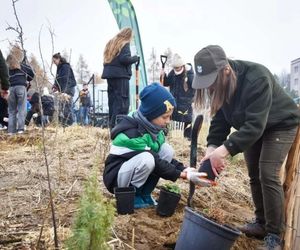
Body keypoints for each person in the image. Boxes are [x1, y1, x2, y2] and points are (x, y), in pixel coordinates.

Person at [192, 45, 300, 250]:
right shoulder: (221, 86)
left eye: (211, 82)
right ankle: (261, 223)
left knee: (267, 173)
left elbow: (256, 126)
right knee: (253, 173)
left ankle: (275, 235)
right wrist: (211, 150)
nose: (210, 88)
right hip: (251, 127)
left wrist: (224, 151)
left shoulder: (256, 78)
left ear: (225, 70)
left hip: (280, 124)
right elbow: (220, 121)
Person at [103, 83, 211, 209]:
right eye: (164, 117)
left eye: (170, 116)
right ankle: (132, 196)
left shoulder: (154, 130)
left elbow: (162, 159)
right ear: (150, 114)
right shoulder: (131, 134)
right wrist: (182, 175)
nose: (168, 121)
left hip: (134, 168)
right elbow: (155, 161)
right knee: (147, 159)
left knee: (166, 150)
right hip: (117, 178)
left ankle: (145, 193)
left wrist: (184, 169)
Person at [102, 27, 139, 129]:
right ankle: (119, 128)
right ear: (129, 35)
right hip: (120, 76)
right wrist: (135, 58)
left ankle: (112, 127)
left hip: (110, 75)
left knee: (112, 102)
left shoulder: (111, 43)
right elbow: (124, 59)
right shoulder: (124, 43)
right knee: (122, 102)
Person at [161, 54, 195, 139]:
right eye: (175, 68)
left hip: (185, 105)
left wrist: (189, 74)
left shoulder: (189, 74)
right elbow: (166, 82)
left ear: (182, 65)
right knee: (170, 123)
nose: (176, 70)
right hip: (173, 103)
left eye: (178, 68)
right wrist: (163, 75)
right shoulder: (173, 73)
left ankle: (188, 141)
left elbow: (195, 87)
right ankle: (169, 139)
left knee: (186, 124)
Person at [7, 53, 34, 135]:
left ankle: (11, 131)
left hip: (11, 88)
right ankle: (20, 129)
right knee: (22, 109)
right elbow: (31, 75)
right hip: (21, 88)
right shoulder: (23, 66)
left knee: (12, 110)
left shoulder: (8, 69)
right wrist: (28, 79)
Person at [52, 53, 76, 126]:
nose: (54, 63)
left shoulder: (65, 67)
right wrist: (55, 85)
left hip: (68, 90)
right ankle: (64, 124)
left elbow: (66, 79)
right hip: (63, 91)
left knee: (67, 108)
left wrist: (65, 92)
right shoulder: (59, 68)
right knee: (63, 108)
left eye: (54, 60)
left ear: (58, 59)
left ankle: (70, 125)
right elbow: (58, 79)